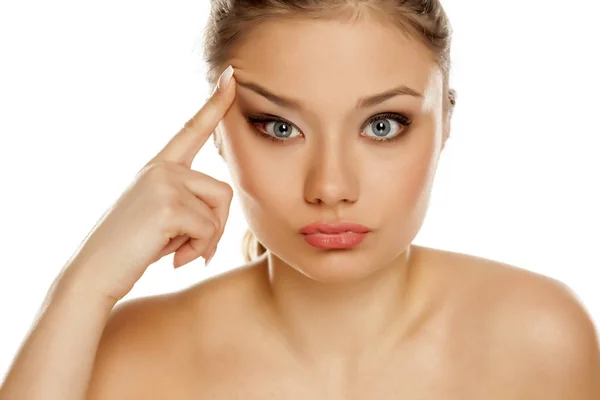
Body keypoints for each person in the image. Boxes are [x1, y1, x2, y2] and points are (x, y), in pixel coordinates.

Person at [1, 1, 599, 398]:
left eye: (383, 125)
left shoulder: (539, 337)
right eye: (280, 127)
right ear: (216, 128)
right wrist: (80, 287)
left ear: (445, 121)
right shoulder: (126, 359)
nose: (331, 188)